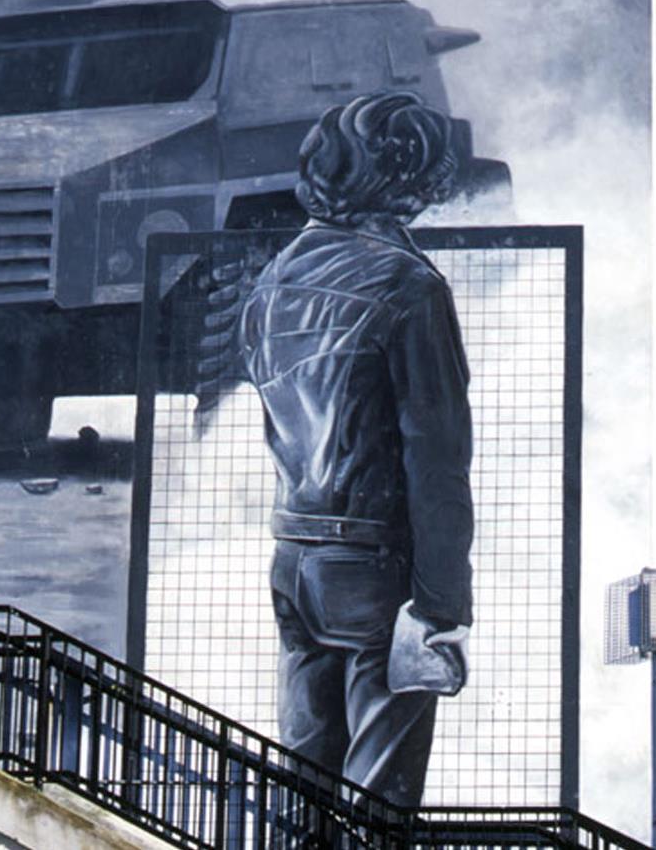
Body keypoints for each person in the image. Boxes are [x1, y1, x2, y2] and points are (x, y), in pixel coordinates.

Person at [236, 91, 474, 807]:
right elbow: (437, 461)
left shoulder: (270, 285)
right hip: (379, 566)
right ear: (406, 182)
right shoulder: (410, 285)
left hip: (295, 557)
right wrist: (441, 606)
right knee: (378, 799)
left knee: (301, 790)